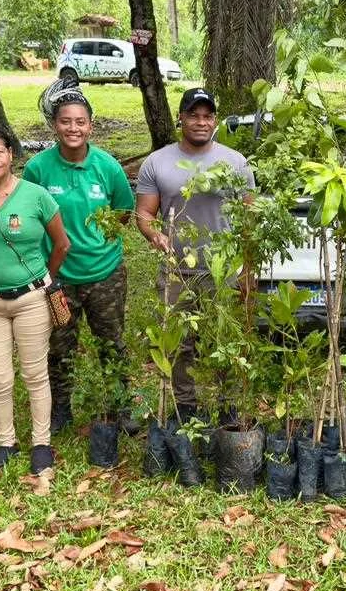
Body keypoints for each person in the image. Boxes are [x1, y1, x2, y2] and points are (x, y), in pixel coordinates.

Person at [0, 121, 71, 474]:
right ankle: (6, 442)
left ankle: (41, 443)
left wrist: (44, 278)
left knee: (35, 373)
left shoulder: (36, 195)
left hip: (31, 298)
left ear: (10, 154)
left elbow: (62, 244)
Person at [134, 87, 255, 418]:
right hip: (177, 271)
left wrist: (248, 269)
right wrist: (154, 233)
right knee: (178, 344)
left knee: (226, 340)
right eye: (194, 115)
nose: (201, 122)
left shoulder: (235, 162)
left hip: (223, 271)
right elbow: (144, 213)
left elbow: (249, 219)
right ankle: (185, 408)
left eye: (207, 116)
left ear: (215, 120)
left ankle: (229, 407)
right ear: (181, 119)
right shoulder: (157, 162)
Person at [24, 83, 135, 433]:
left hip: (105, 274)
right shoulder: (38, 169)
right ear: (54, 125)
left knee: (111, 342)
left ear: (91, 126)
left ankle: (121, 404)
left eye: (80, 122)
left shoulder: (107, 166)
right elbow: (30, 215)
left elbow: (123, 211)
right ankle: (61, 409)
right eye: (66, 121)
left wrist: (98, 241)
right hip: (57, 278)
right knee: (60, 344)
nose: (73, 128)